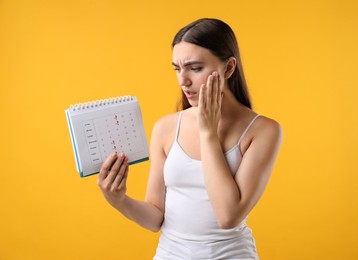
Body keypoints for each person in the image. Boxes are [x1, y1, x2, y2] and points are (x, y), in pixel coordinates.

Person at [97, 18, 283, 259]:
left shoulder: (263, 131)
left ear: (228, 68)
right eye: (177, 68)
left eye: (195, 68)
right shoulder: (166, 127)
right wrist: (119, 200)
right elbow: (155, 218)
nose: (183, 80)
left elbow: (228, 216)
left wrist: (208, 132)